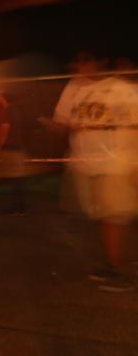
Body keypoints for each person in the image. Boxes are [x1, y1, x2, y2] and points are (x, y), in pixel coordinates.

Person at [50, 53, 138, 292]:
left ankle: (116, 270)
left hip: (117, 164)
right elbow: (63, 122)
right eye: (76, 61)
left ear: (100, 63)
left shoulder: (122, 90)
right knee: (104, 218)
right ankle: (116, 262)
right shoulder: (74, 88)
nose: (78, 66)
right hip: (85, 165)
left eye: (84, 61)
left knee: (113, 216)